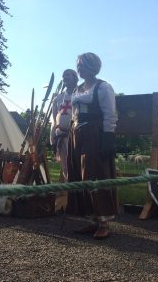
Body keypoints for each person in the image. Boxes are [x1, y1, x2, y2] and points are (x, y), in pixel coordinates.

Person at [66, 52, 118, 239]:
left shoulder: (103, 87)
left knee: (95, 173)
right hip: (76, 134)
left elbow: (110, 114)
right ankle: (92, 219)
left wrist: (107, 138)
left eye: (82, 65)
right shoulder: (77, 89)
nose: (79, 68)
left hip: (94, 133)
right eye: (77, 65)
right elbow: (74, 115)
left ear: (91, 66)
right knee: (79, 175)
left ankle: (104, 221)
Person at [50, 69, 78, 210]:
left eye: (68, 75)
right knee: (66, 168)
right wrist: (53, 135)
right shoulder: (58, 98)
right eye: (63, 75)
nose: (64, 77)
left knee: (77, 167)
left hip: (76, 136)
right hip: (62, 136)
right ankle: (70, 200)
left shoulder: (80, 94)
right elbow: (54, 118)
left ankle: (78, 200)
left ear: (75, 78)